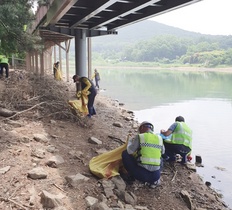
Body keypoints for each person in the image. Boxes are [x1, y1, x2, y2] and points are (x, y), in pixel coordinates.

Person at [121, 121, 164, 187]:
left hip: (141, 175)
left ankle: (132, 177)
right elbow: (163, 152)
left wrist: (130, 142)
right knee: (160, 157)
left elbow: (130, 151)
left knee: (125, 153)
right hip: (156, 176)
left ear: (142, 127)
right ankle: (154, 182)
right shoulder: (159, 138)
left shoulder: (141, 136)